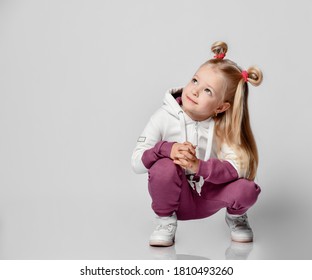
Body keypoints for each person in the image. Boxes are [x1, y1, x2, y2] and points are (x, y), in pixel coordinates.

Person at [131, 41, 263, 247]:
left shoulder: (223, 127)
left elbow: (239, 168)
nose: (194, 91)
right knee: (163, 166)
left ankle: (236, 218)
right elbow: (137, 163)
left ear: (221, 107)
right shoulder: (163, 117)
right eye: (194, 81)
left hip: (209, 198)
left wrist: (198, 166)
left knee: (247, 189)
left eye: (208, 91)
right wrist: (167, 149)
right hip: (176, 198)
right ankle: (165, 222)